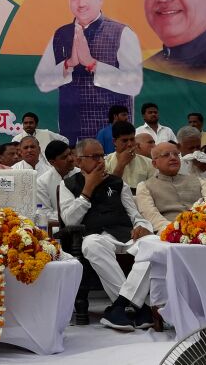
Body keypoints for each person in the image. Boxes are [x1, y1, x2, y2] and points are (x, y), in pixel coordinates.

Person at [59, 139, 155, 331]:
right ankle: (138, 308)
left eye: (102, 156)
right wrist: (88, 188)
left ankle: (120, 307)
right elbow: (69, 220)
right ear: (79, 161)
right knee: (91, 244)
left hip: (127, 235)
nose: (100, 161)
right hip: (97, 237)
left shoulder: (118, 183)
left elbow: (135, 215)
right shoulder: (68, 184)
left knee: (155, 245)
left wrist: (142, 226)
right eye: (94, 157)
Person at [35, 0, 143, 143]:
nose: (81, 3)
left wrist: (92, 64)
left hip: (112, 134)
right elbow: (42, 81)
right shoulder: (61, 34)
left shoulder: (122, 32)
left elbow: (134, 84)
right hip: (70, 133)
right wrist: (68, 64)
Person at [135, 142, 206, 233]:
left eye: (176, 154)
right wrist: (174, 230)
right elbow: (151, 216)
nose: (173, 158)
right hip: (169, 233)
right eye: (166, 155)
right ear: (154, 164)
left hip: (205, 229)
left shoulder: (200, 181)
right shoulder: (145, 186)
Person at [36, 140, 79, 221]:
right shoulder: (42, 183)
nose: (70, 159)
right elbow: (44, 213)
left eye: (70, 154)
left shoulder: (81, 174)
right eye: (64, 157)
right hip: (57, 225)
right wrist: (68, 215)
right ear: (52, 162)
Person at [105, 120, 154, 188]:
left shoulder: (148, 163)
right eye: (124, 140)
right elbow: (109, 190)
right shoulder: (105, 163)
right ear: (114, 141)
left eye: (132, 139)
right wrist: (121, 165)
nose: (129, 144)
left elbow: (152, 189)